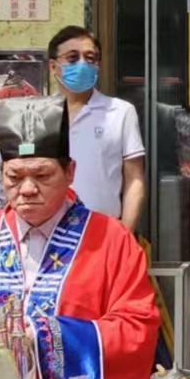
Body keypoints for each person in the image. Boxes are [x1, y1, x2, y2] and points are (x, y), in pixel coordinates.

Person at [0, 97, 160, 379]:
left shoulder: (112, 239)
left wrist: (46, 337)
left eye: (43, 175)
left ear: (70, 172)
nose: (28, 189)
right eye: (14, 177)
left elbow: (137, 327)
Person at [47, 25, 146, 233]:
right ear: (53, 66)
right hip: (49, 233)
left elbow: (134, 179)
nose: (82, 64)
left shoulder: (120, 112)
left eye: (90, 58)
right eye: (73, 58)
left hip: (103, 232)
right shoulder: (40, 114)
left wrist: (124, 235)